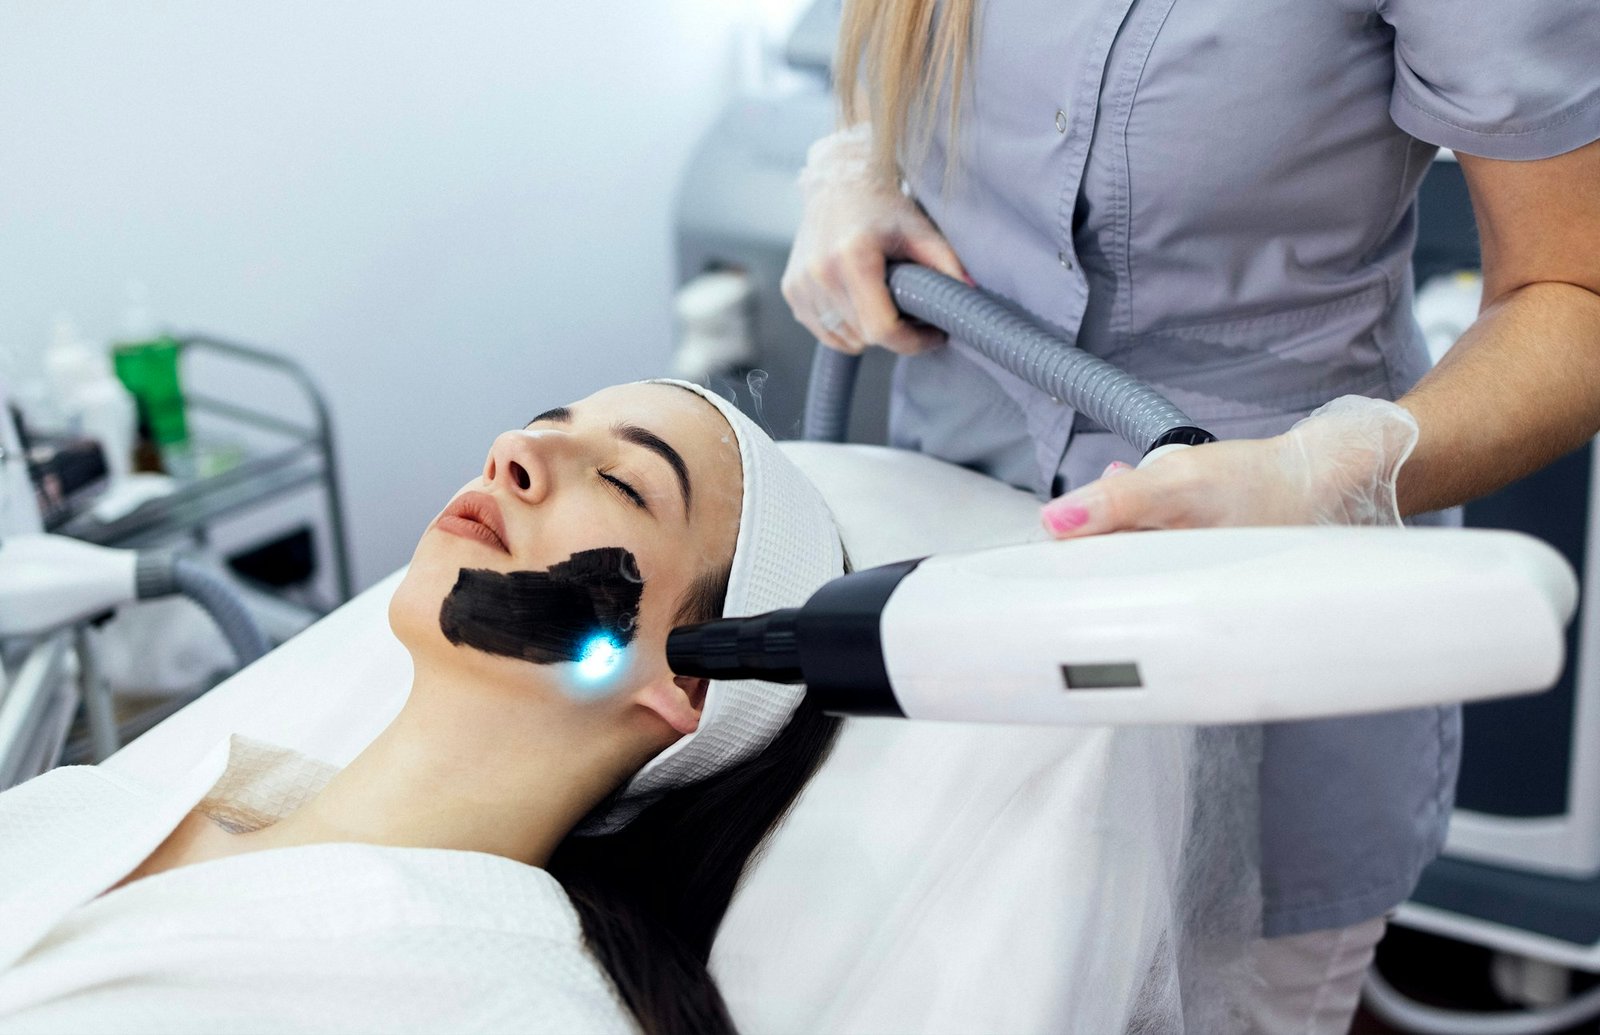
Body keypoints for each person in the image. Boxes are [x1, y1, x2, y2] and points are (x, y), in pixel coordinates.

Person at [781, 2, 1600, 1031]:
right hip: (948, 598)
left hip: (1256, 624)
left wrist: (1319, 474)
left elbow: (1574, 291)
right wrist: (854, 163)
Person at [0, 380, 847, 1035]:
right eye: (547, 422)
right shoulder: (84, 807)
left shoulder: (512, 1005)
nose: (513, 448)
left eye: (624, 482)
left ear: (690, 677)